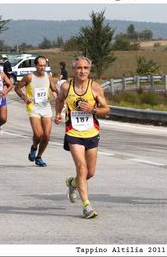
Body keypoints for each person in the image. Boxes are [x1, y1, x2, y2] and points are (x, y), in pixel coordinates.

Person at [55, 56, 110, 219]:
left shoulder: (95, 88)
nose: (82, 71)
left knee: (90, 172)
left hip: (91, 132)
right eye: (79, 68)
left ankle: (73, 183)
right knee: (82, 167)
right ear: (74, 70)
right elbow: (59, 100)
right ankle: (86, 205)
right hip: (73, 133)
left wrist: (93, 110)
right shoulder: (66, 86)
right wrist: (58, 113)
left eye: (86, 68)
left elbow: (106, 109)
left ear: (89, 70)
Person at [14, 56, 57, 167]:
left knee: (46, 136)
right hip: (33, 107)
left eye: (44, 65)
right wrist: (24, 97)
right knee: (38, 134)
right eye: (40, 65)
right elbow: (17, 88)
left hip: (46, 107)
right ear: (36, 66)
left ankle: (39, 157)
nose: (42, 68)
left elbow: (54, 89)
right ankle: (34, 147)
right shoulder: (29, 77)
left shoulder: (48, 77)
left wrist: (55, 94)